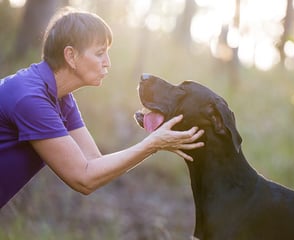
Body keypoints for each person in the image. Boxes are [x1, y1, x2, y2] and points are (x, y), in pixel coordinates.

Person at [0, 8, 204, 209]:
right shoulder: (30, 99)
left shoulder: (60, 98)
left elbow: (94, 163)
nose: (108, 63)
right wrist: (152, 145)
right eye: (99, 53)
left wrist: (153, 144)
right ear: (71, 56)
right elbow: (83, 178)